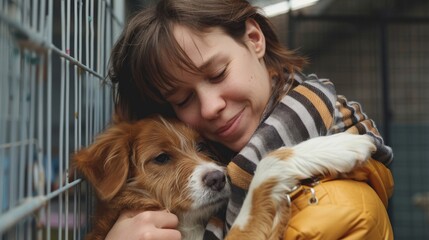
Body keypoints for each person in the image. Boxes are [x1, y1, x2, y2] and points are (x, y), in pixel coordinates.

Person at [105, 0, 394, 239]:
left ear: (255, 39)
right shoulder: (226, 168)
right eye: (182, 100)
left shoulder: (332, 211)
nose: (209, 107)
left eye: (218, 74)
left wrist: (275, 173)